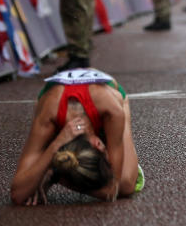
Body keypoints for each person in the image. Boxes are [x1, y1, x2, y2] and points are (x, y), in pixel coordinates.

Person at [10, 67, 142, 205]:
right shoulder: (48, 115)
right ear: (98, 144)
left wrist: (56, 176)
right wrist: (55, 145)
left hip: (110, 96)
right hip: (54, 99)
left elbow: (112, 190)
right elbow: (18, 194)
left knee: (126, 185)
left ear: (98, 143)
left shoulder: (112, 111)